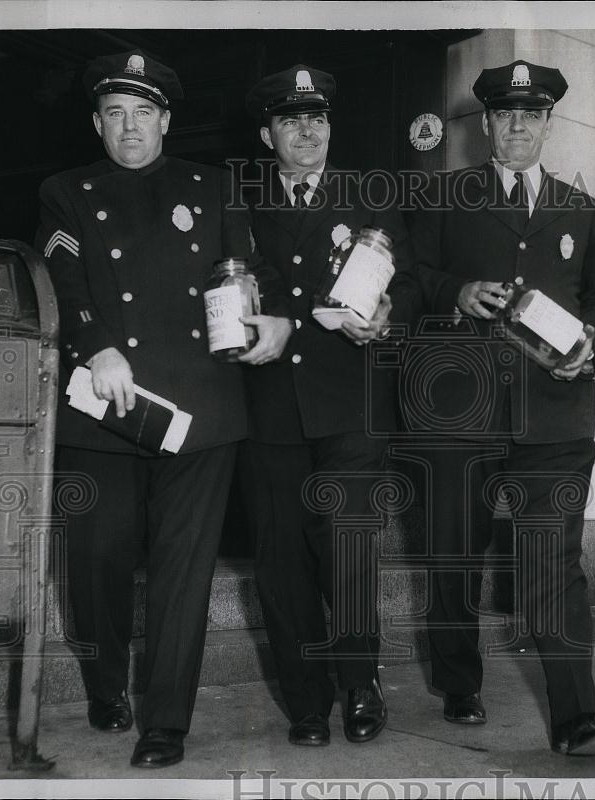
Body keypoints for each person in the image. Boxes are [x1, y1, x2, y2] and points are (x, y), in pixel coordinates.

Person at [36, 51, 284, 768]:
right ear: (97, 122)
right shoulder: (66, 189)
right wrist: (97, 346)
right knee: (98, 560)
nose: (130, 126)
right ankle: (107, 685)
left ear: (167, 120)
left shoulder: (213, 188)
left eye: (144, 112)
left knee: (184, 572)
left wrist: (271, 321)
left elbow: (253, 274)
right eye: (115, 112)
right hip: (105, 405)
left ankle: (166, 723)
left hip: (201, 408)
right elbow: (63, 278)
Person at [406, 60, 595, 756]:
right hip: (458, 414)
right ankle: (458, 680)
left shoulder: (580, 207)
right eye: (506, 116)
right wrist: (455, 293)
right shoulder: (442, 198)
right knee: (452, 558)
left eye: (531, 116)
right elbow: (407, 282)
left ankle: (575, 719)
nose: (518, 128)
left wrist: (592, 343)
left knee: (553, 564)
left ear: (547, 125)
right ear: (488, 126)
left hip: (554, 414)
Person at [240, 64, 417, 747]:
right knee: (281, 561)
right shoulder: (240, 203)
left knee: (347, 549)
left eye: (316, 118)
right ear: (266, 134)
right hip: (270, 403)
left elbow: (405, 287)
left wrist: (389, 317)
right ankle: (305, 700)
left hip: (350, 402)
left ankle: (360, 683)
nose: (306, 131)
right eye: (289, 120)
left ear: (330, 126)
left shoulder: (373, 195)